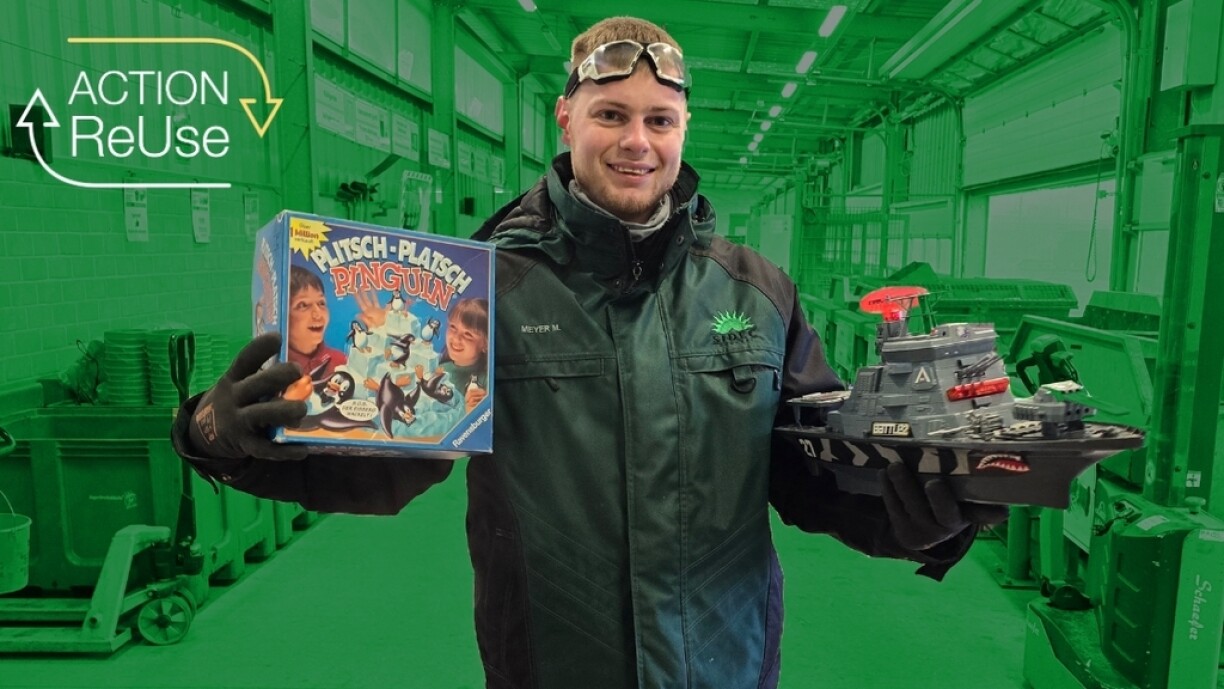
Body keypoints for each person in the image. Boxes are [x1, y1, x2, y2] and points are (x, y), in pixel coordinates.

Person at [173, 16, 1006, 689]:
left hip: (726, 664)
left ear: (682, 130)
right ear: (567, 117)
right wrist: (218, 434)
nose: (636, 140)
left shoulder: (757, 293)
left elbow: (814, 470)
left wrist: (923, 521)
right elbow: (386, 458)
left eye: (659, 120)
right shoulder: (479, 292)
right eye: (611, 114)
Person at [284, 266, 346, 378]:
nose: (318, 314)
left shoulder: (340, 362)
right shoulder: (277, 365)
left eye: (321, 303)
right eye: (303, 305)